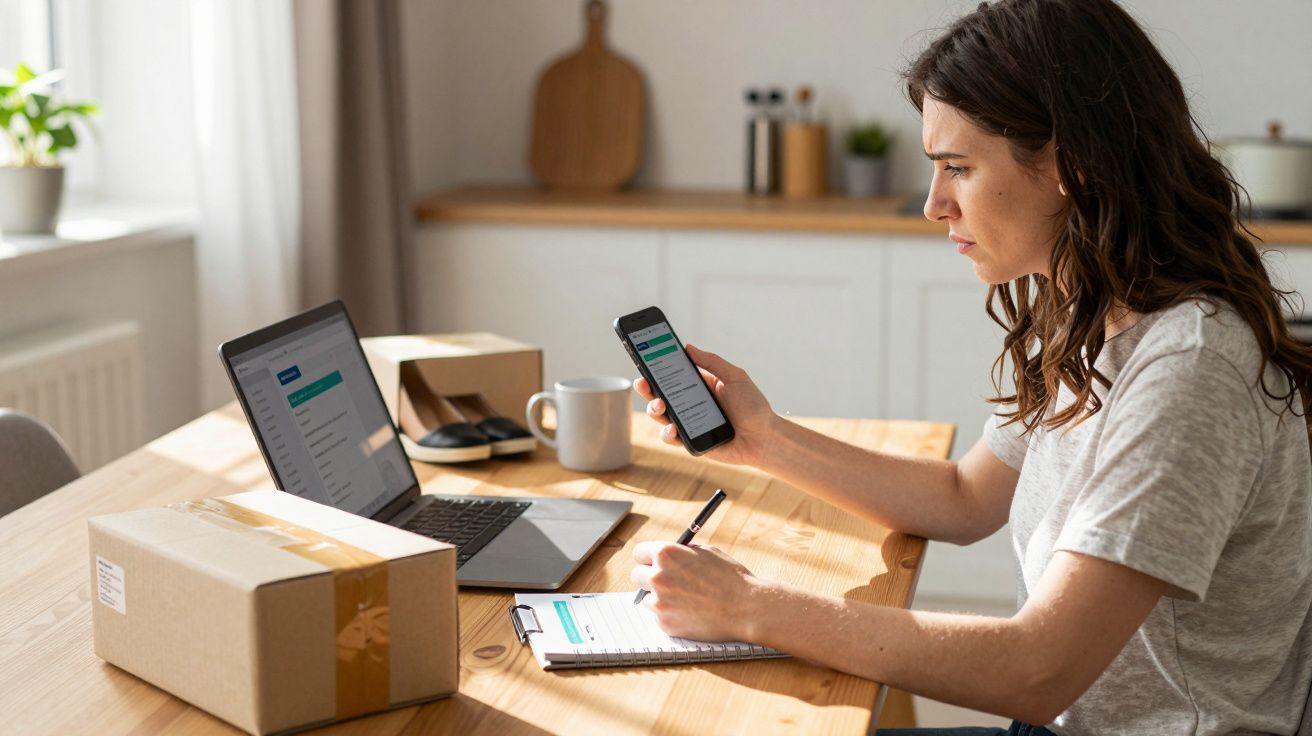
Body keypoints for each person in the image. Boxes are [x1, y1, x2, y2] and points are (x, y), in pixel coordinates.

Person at [628, 1, 1312, 733]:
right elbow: (963, 497)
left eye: (957, 167)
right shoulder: (1094, 314)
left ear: (1069, 166)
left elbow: (1038, 668)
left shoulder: (1189, 367)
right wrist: (762, 437)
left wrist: (749, 605)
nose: (933, 205)